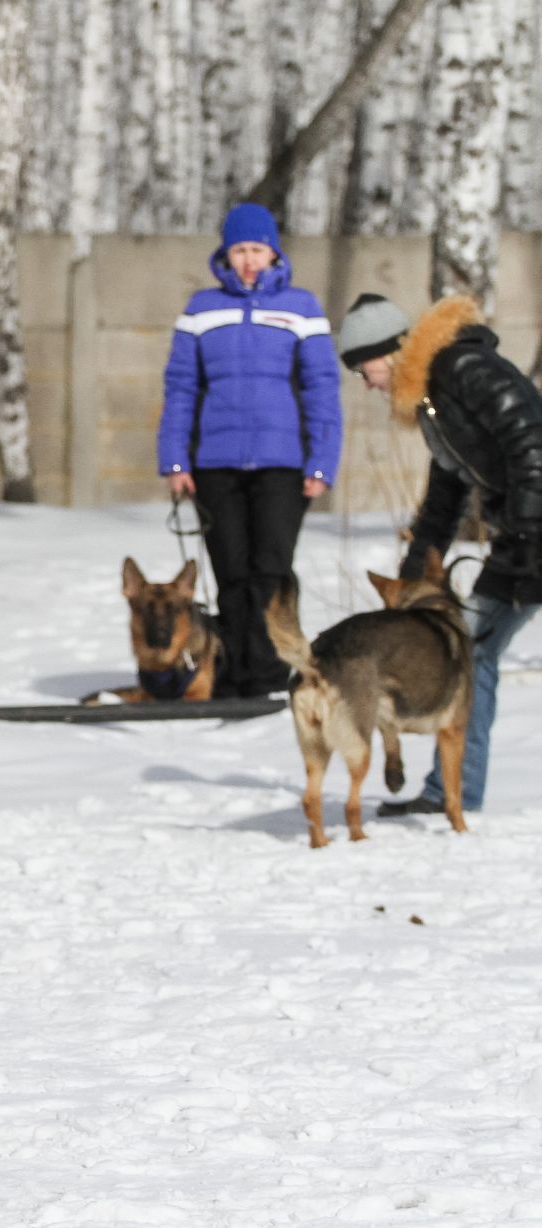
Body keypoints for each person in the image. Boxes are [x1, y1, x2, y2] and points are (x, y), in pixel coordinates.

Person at [336, 292, 542, 816]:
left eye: (366, 367)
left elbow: (530, 442)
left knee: (475, 651)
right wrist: (409, 580)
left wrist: (524, 528)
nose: (367, 381)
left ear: (393, 350)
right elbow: (445, 499)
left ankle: (454, 792)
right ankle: (452, 792)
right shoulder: (432, 402)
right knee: (474, 653)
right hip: (523, 538)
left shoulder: (464, 368)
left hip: (529, 533)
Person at [157, 202, 343, 698]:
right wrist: (175, 459)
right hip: (215, 465)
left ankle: (267, 672)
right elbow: (180, 388)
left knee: (271, 570)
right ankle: (234, 671)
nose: (248, 260)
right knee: (231, 571)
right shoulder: (201, 309)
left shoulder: (302, 308)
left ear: (274, 253)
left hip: (283, 465)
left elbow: (322, 387)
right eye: (239, 250)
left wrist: (322, 462)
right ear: (225, 254)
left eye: (257, 250)